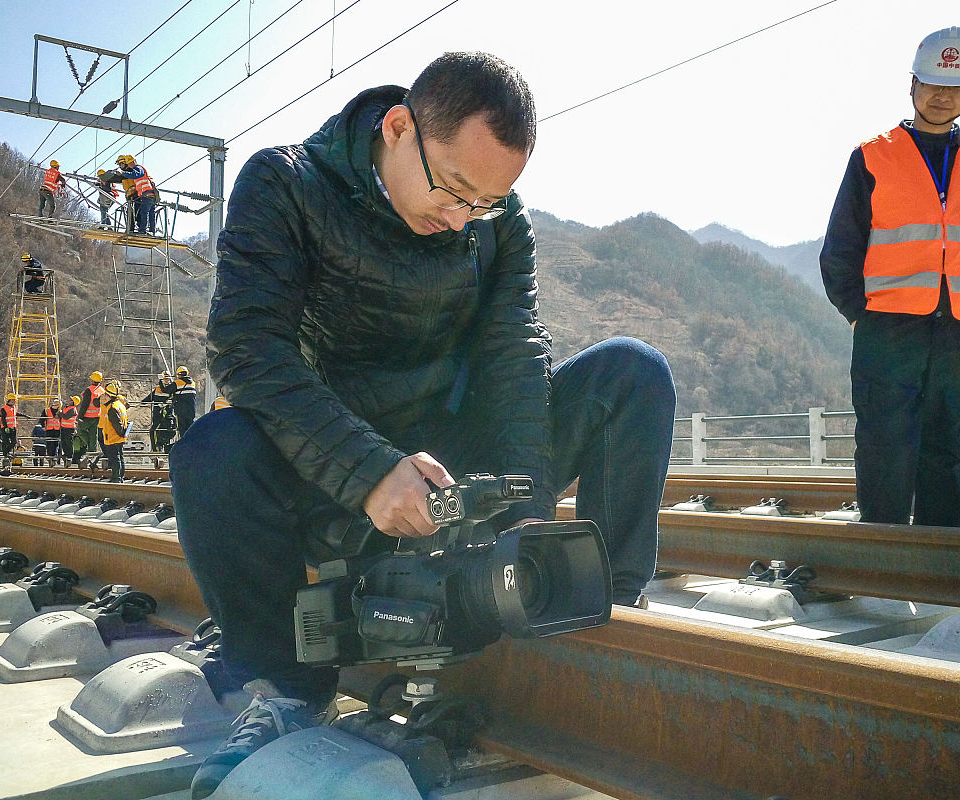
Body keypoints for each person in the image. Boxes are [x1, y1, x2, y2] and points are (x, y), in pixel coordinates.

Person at [170, 52, 675, 799]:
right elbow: (248, 348)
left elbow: (513, 358)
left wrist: (526, 509)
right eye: (454, 190)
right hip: (330, 470)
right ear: (400, 127)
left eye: (486, 203)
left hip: (451, 467)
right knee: (213, 451)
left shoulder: (498, 222)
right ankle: (286, 688)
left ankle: (606, 610)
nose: (462, 217)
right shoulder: (286, 183)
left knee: (631, 373)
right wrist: (371, 471)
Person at [819, 26, 960, 528]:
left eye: (957, 86)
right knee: (885, 442)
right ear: (912, 83)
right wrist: (861, 315)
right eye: (933, 83)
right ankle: (885, 552)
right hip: (889, 326)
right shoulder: (872, 156)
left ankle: (942, 551)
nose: (943, 95)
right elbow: (841, 249)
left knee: (951, 443)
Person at [108, 154, 157, 235]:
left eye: (121, 164)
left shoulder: (136, 170)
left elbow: (135, 175)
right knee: (146, 213)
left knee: (142, 213)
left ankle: (142, 230)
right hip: (141, 195)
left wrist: (122, 173)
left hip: (143, 195)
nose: (120, 166)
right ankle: (149, 230)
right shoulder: (129, 172)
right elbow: (120, 179)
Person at [139, 371, 178, 452]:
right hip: (157, 413)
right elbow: (151, 397)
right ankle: (156, 449)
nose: (166, 380)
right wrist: (142, 402)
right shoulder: (158, 388)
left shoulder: (171, 388)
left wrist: (165, 404)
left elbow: (173, 399)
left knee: (163, 432)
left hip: (166, 415)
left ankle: (160, 448)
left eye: (167, 378)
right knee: (154, 431)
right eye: (165, 378)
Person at [99, 381, 128, 482]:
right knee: (120, 456)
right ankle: (120, 476)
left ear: (109, 395)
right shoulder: (120, 404)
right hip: (119, 437)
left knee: (115, 458)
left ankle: (116, 477)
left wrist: (120, 433)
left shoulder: (112, 408)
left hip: (113, 437)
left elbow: (116, 424)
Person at [74, 371, 105, 466]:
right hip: (98, 417)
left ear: (92, 380)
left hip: (87, 417)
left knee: (80, 431)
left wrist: (80, 417)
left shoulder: (89, 390)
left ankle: (90, 448)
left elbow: (85, 405)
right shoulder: (102, 390)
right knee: (93, 435)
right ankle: (92, 452)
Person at [171, 365, 197, 437]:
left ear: (179, 375)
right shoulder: (192, 383)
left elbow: (167, 390)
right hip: (191, 410)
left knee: (182, 430)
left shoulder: (177, 383)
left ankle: (184, 443)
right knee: (190, 430)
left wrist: (161, 381)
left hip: (181, 411)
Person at [60, 396, 79, 467]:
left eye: (71, 400)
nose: (69, 401)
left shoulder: (73, 409)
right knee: (64, 442)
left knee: (68, 443)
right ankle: (66, 454)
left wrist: (60, 413)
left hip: (69, 428)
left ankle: (69, 456)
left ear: (73, 402)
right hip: (64, 428)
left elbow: (65, 417)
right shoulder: (67, 408)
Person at [41, 398, 62, 464]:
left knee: (56, 444)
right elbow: (42, 419)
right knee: (49, 444)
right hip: (49, 429)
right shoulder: (47, 410)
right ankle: (50, 457)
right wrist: (43, 426)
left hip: (57, 429)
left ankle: (54, 457)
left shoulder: (60, 411)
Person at [0, 394, 19, 463]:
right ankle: (5, 454)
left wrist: (25, 415)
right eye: (13, 400)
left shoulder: (14, 407)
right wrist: (6, 427)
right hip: (5, 428)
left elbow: (15, 414)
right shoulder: (4, 409)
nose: (14, 402)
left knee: (14, 442)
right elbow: (3, 419)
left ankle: (7, 452)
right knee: (5, 442)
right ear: (9, 400)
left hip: (13, 427)